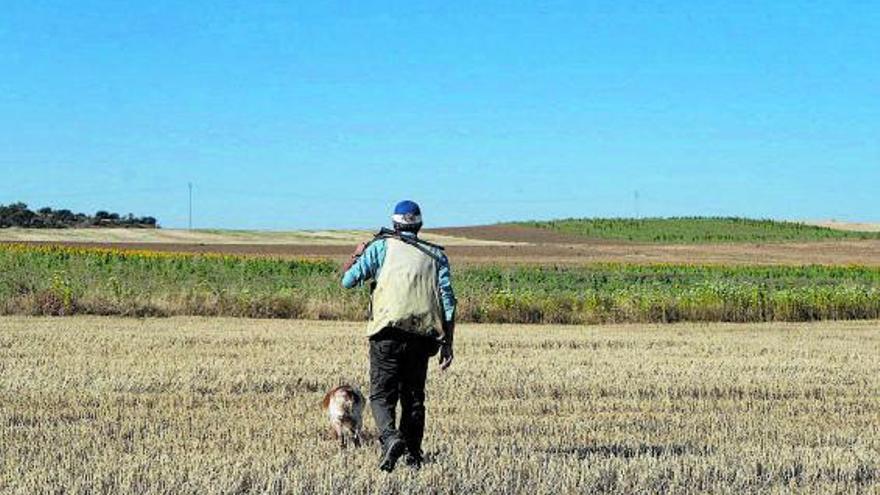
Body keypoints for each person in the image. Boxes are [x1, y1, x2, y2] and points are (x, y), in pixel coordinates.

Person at [341, 200, 456, 472]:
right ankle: (413, 456)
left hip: (386, 334)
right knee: (414, 397)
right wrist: (448, 342)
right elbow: (448, 302)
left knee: (382, 396)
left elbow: (348, 281)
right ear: (419, 225)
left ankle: (391, 439)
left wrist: (357, 255)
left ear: (394, 225)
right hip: (422, 335)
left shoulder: (380, 247)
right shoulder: (436, 255)